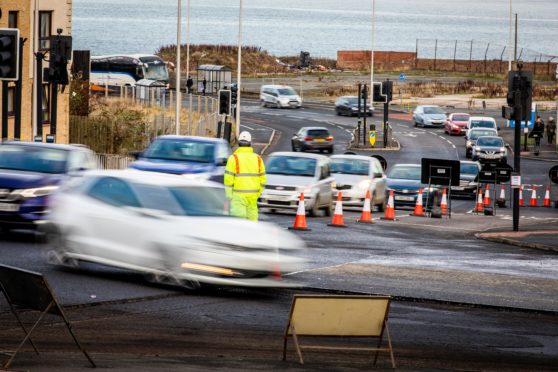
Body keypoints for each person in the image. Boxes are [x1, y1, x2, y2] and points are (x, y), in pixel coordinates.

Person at [224, 131, 266, 221]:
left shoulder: (233, 158)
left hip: (237, 198)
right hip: (253, 197)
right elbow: (263, 180)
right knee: (252, 224)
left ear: (238, 143)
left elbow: (228, 181)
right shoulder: (258, 159)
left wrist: (229, 197)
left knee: (239, 225)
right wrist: (257, 194)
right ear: (250, 143)